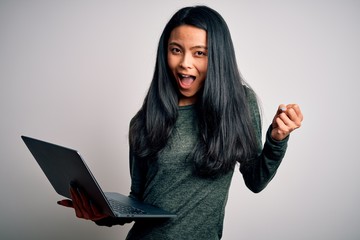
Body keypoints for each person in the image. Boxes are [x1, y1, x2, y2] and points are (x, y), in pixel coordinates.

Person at [58, 5, 303, 239]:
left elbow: (256, 180)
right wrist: (104, 214)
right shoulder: (143, 121)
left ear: (218, 57)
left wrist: (276, 140)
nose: (185, 62)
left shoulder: (238, 104)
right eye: (176, 50)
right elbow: (138, 200)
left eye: (200, 53)